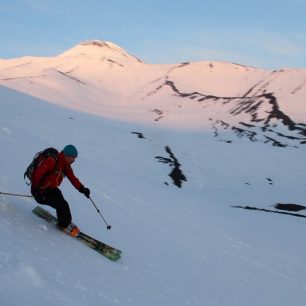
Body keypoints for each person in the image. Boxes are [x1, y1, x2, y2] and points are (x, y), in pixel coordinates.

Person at [31, 144, 90, 236]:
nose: (74, 160)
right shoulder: (51, 161)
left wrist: (82, 189)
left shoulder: (65, 165)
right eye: (73, 158)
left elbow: (73, 178)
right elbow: (37, 175)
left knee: (60, 199)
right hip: (40, 192)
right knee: (63, 205)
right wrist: (36, 190)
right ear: (66, 156)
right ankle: (65, 224)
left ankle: (64, 221)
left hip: (50, 189)